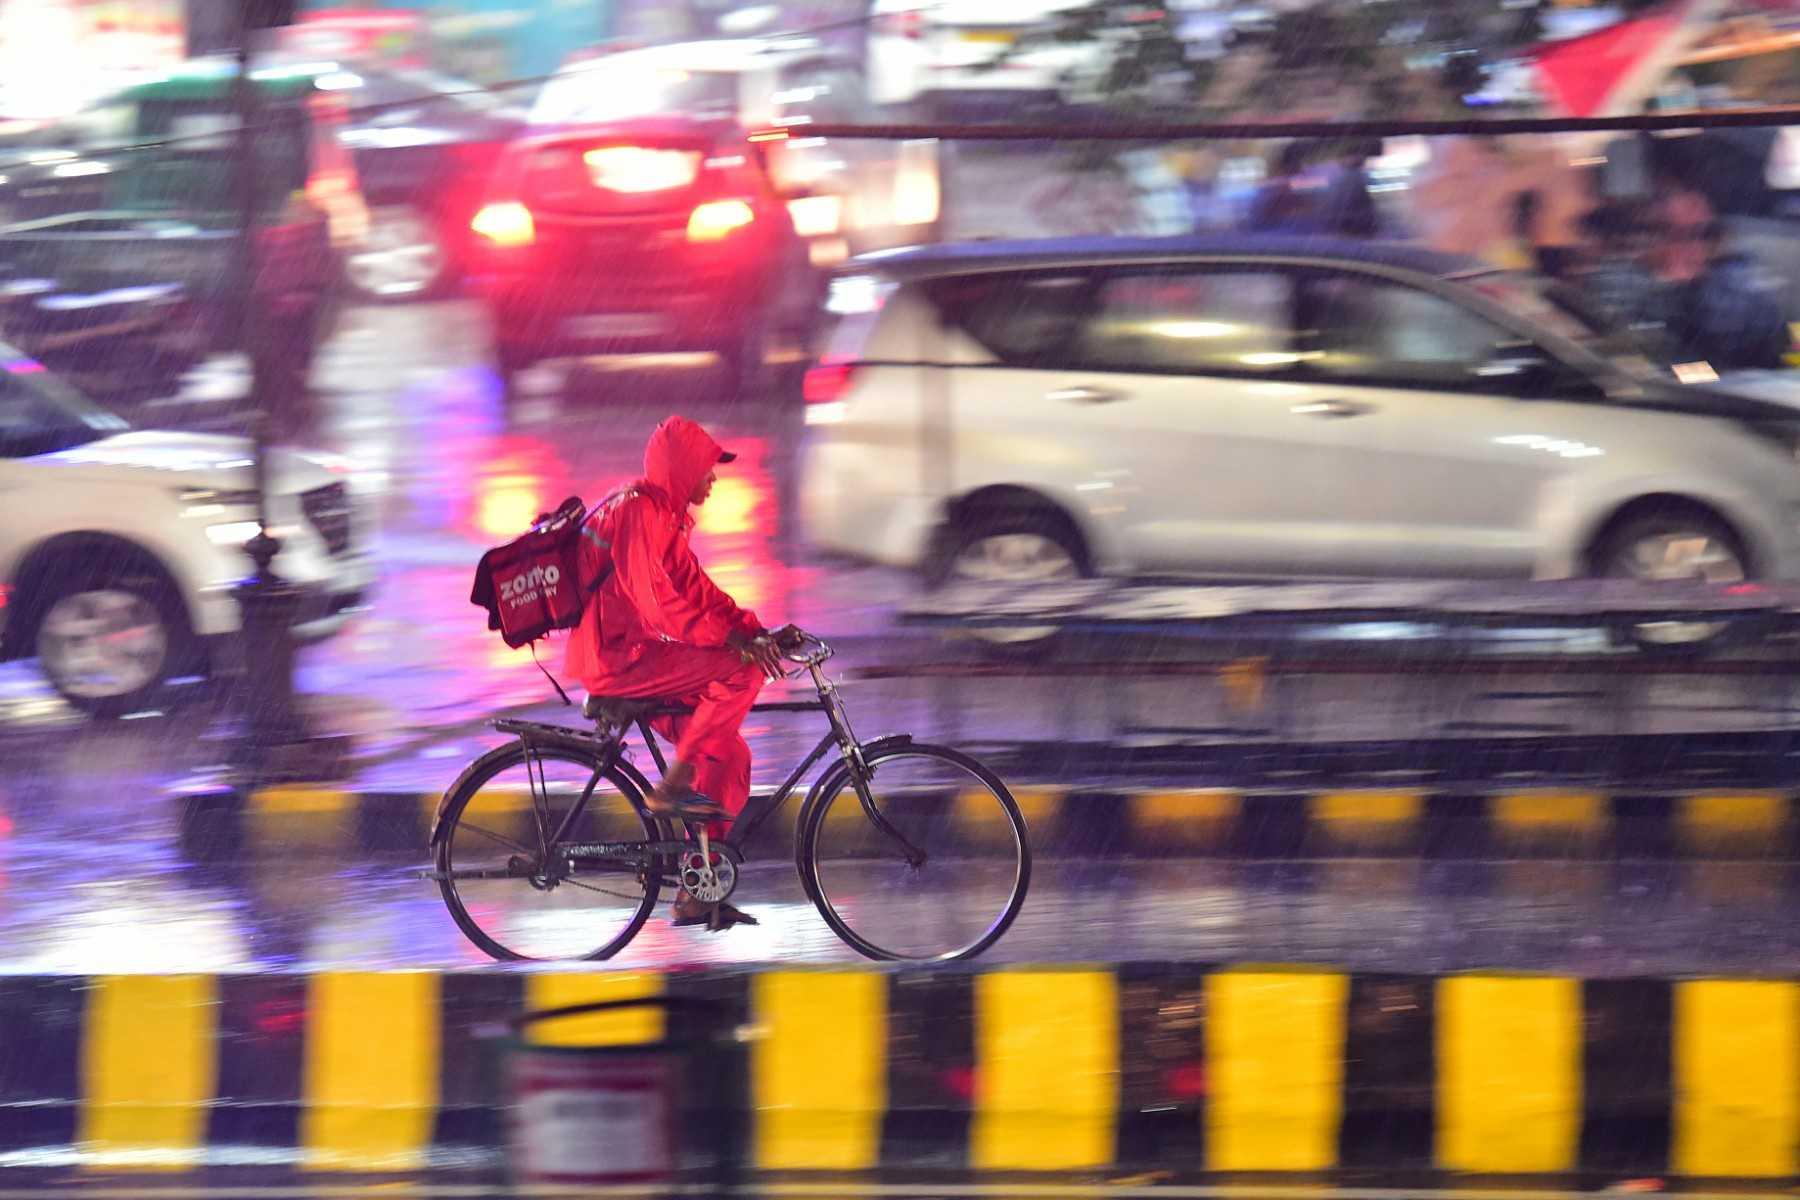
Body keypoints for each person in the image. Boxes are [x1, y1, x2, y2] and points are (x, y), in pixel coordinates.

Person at [564, 414, 793, 931]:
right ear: (682, 468)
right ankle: (675, 779)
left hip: (640, 654)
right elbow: (660, 607)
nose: (713, 479)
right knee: (739, 671)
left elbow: (699, 591)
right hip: (617, 660)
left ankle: (696, 890)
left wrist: (758, 631)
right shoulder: (637, 513)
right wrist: (737, 644)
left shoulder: (666, 516)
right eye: (707, 468)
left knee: (730, 755)